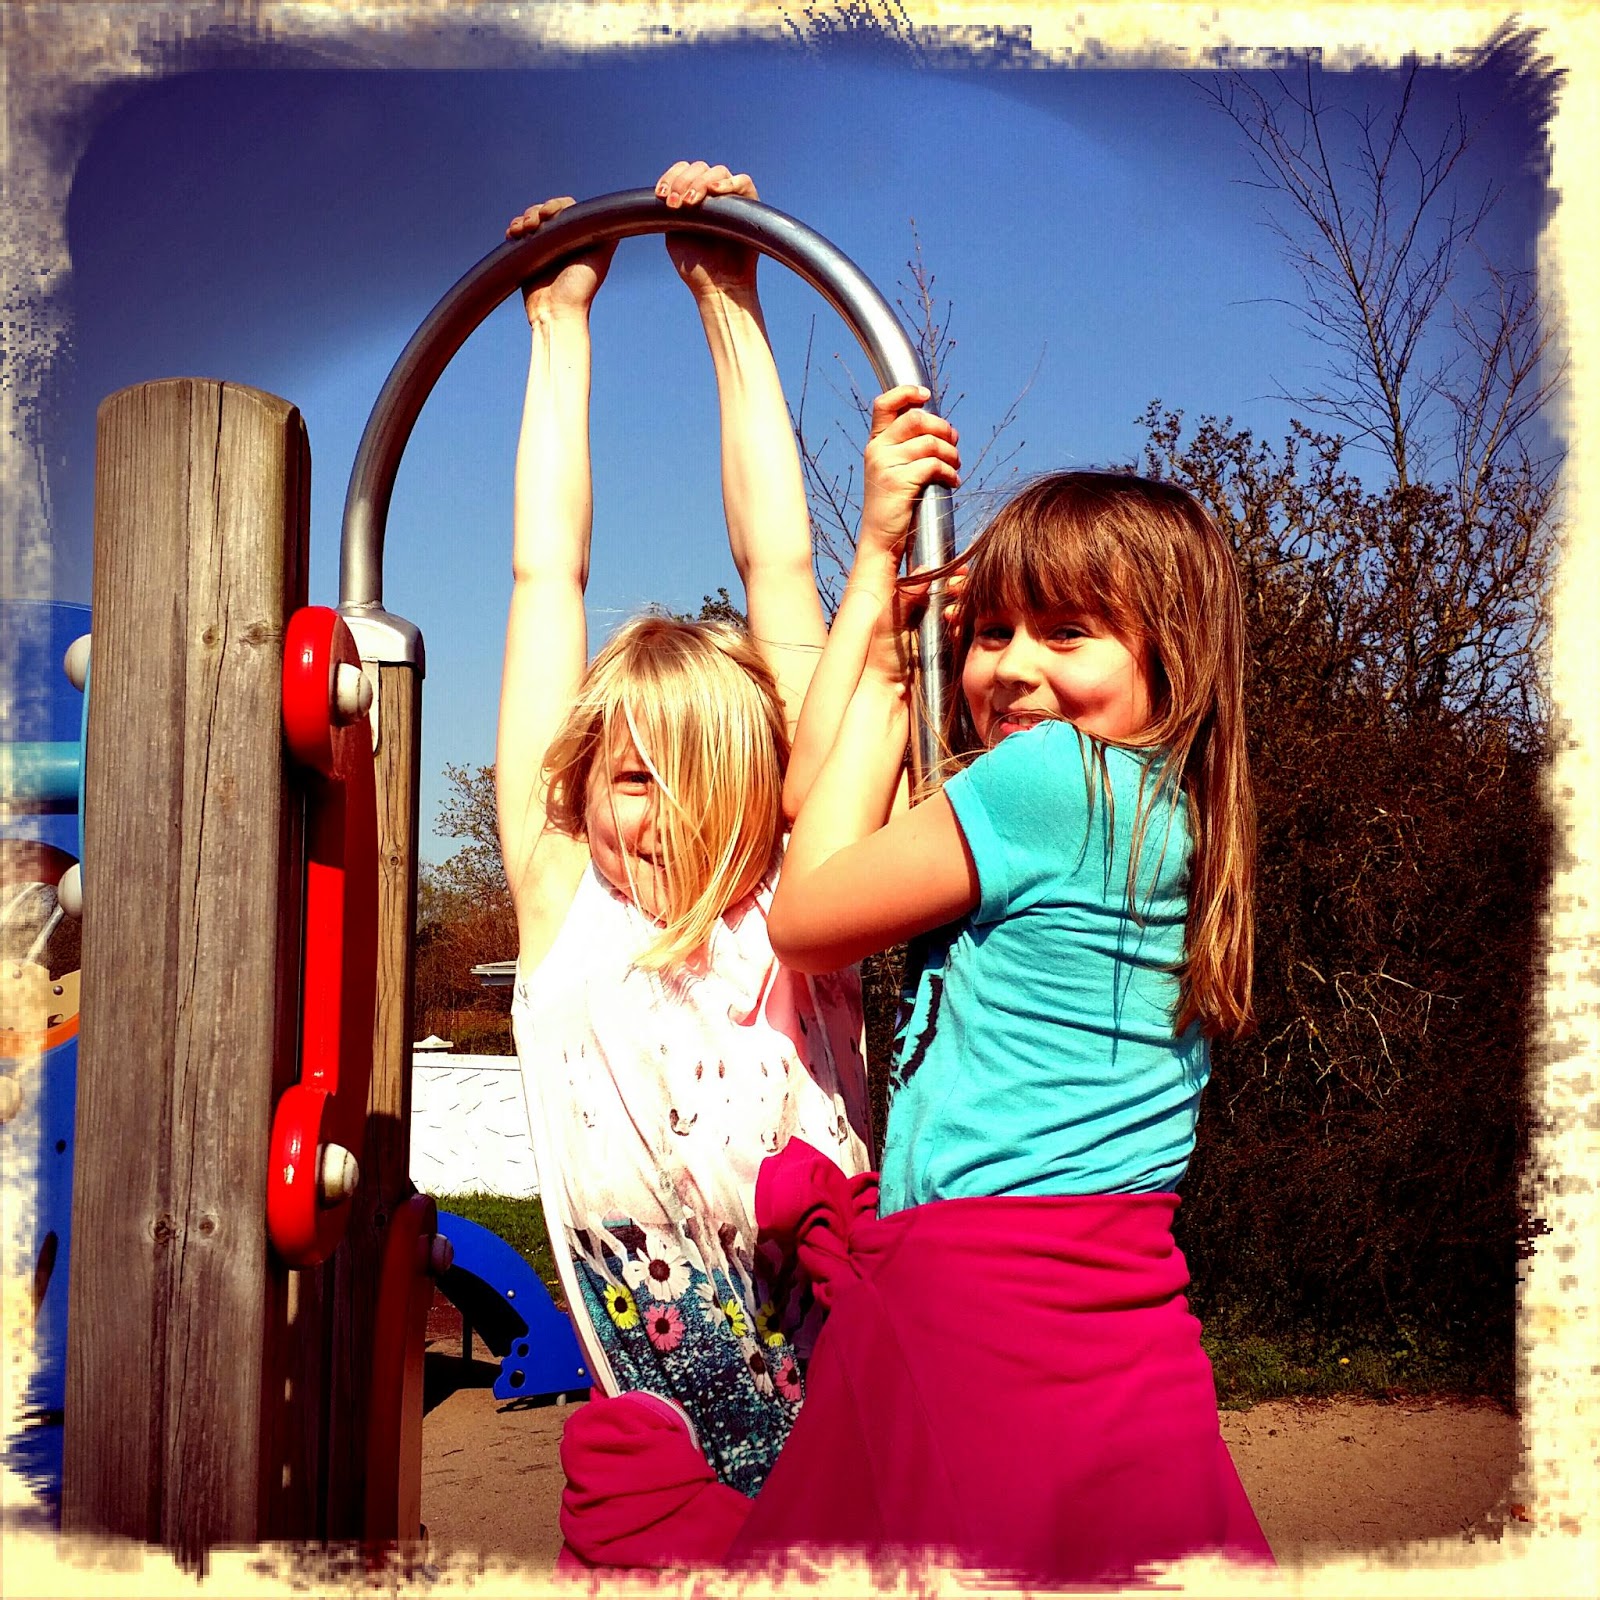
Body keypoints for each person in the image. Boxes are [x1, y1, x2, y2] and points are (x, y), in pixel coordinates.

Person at [732, 391, 1275, 1583]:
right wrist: (878, 588)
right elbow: (821, 799)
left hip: (986, 1292)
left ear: (1171, 656)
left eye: (1067, 632)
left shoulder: (1051, 783)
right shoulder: (1158, 814)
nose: (1013, 667)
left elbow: (806, 918)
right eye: (988, 633)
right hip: (1112, 1282)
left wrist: (887, 672)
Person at [496, 161, 872, 1528]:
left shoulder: (801, 906)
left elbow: (783, 576)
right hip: (670, 1476)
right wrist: (559, 326)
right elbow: (547, 576)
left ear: (760, 789)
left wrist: (727, 296)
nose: (649, 811)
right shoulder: (565, 910)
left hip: (853, 1424)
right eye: (625, 776)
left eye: (692, 776)